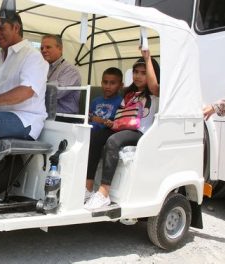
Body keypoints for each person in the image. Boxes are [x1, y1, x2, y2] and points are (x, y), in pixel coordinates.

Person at [84, 49, 160, 210]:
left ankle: (103, 193)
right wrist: (111, 124)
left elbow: (154, 87)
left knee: (113, 141)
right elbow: (121, 116)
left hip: (141, 132)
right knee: (96, 137)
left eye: (143, 73)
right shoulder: (130, 94)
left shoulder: (155, 94)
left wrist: (148, 59)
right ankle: (88, 187)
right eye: (135, 72)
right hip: (124, 128)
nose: (138, 76)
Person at [0, 11, 48, 164]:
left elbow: (26, 92)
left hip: (25, 119)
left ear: (16, 28)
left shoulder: (33, 56)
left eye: (1, 28)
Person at [40, 34, 82, 114]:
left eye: (48, 47)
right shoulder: (43, 68)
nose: (44, 50)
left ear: (60, 49)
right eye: (42, 48)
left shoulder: (70, 70)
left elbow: (54, 93)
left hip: (64, 118)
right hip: (46, 115)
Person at [89, 67, 123, 132]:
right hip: (89, 128)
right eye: (105, 82)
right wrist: (90, 118)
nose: (108, 86)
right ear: (101, 83)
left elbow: (119, 123)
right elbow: (88, 116)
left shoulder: (121, 102)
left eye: (112, 83)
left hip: (105, 132)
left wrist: (103, 121)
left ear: (121, 85)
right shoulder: (95, 101)